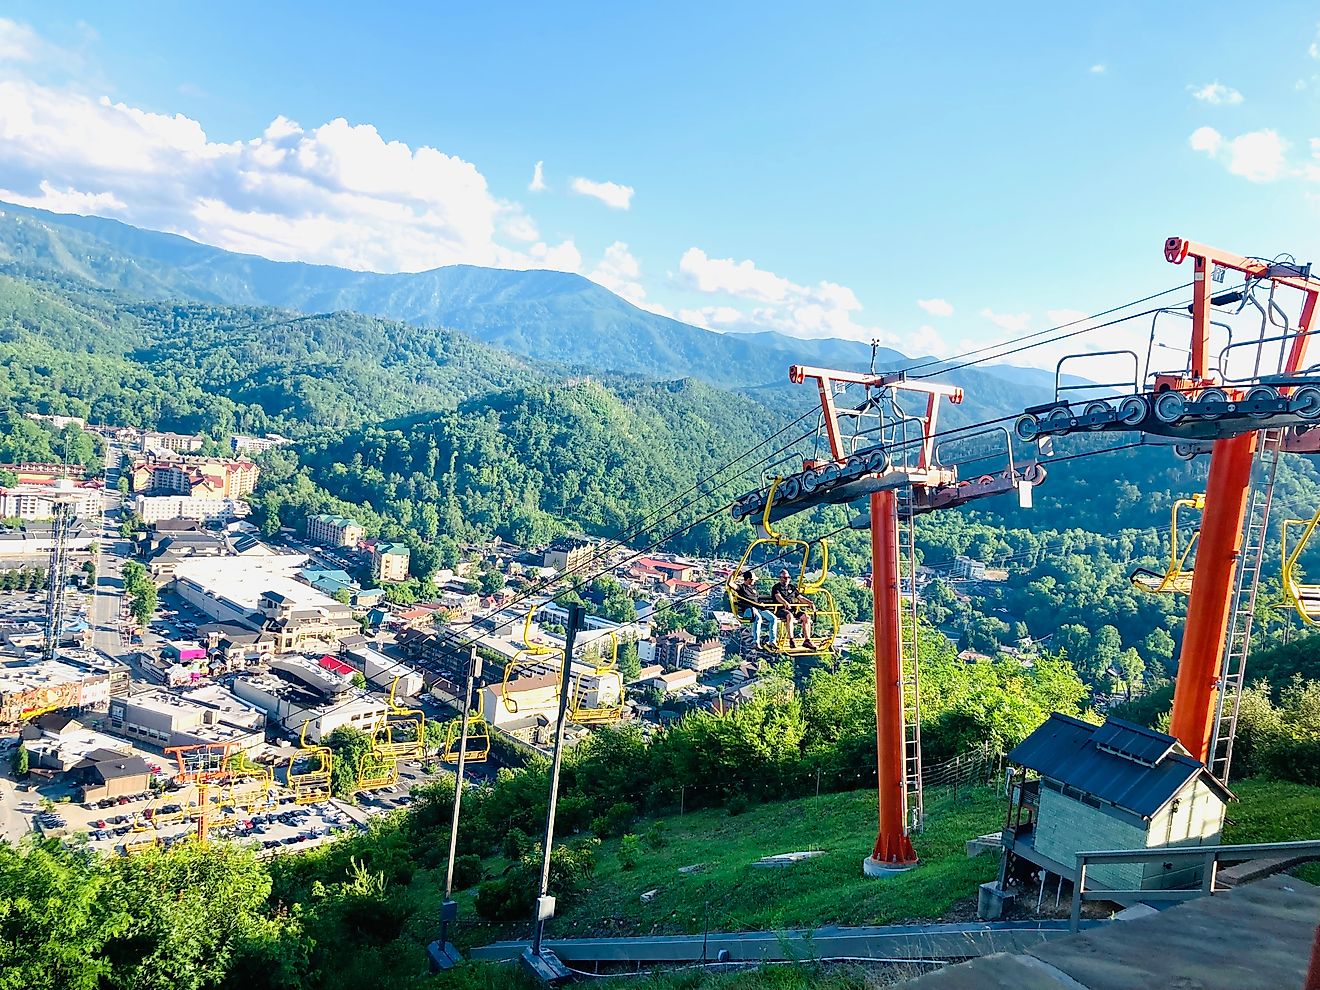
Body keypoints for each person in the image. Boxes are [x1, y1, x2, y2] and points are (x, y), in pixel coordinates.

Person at [771, 569, 816, 649]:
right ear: (780, 578)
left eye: (788, 577)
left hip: (792, 609)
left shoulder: (792, 587)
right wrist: (785, 603)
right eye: (785, 578)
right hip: (781, 610)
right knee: (790, 616)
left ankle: (807, 640)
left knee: (806, 617)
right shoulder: (776, 588)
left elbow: (800, 597)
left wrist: (809, 602)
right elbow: (778, 597)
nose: (787, 579)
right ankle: (791, 639)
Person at [733, 570, 779, 648]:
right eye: (753, 580)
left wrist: (761, 604)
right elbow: (730, 584)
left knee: (773, 618)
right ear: (748, 579)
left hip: (758, 607)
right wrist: (734, 575)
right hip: (748, 609)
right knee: (758, 618)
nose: (754, 581)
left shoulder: (753, 589)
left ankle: (772, 641)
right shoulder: (741, 587)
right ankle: (755, 641)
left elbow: (757, 599)